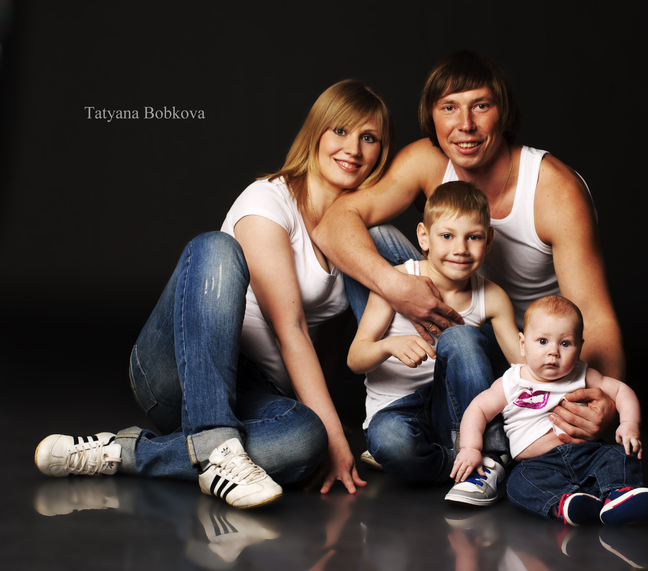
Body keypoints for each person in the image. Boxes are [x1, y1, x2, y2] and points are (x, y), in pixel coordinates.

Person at [33, 79, 395, 508]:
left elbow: (329, 335)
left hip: (256, 393)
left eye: (368, 137)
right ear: (316, 133)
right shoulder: (268, 201)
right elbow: (292, 329)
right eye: (340, 130)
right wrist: (336, 436)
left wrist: (322, 425)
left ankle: (123, 453)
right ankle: (215, 441)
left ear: (381, 151)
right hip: (178, 371)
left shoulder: (353, 231)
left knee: (303, 439)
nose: (353, 148)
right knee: (216, 247)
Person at [313, 51, 622, 445]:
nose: (465, 125)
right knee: (371, 238)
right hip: (443, 321)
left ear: (502, 112)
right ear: (432, 116)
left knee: (472, 344)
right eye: (449, 108)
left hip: (525, 354)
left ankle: (481, 438)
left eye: (480, 106)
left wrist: (602, 403)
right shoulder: (427, 160)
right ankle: (409, 399)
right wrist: (396, 287)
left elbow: (593, 316)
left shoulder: (555, 190)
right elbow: (334, 225)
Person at [347, 181, 521, 494]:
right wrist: (388, 345)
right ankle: (459, 465)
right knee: (390, 443)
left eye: (473, 237)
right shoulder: (397, 282)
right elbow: (355, 359)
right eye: (447, 236)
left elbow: (523, 367)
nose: (460, 249)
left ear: (489, 240)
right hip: (398, 411)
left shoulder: (492, 296)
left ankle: (486, 455)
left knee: (461, 337)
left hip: (457, 414)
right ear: (424, 237)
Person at [450, 295, 648, 526]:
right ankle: (566, 503)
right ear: (522, 344)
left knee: (617, 455)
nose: (553, 352)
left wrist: (629, 424)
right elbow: (477, 409)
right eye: (542, 341)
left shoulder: (582, 374)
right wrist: (470, 448)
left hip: (587, 453)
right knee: (519, 482)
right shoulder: (511, 382)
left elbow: (620, 390)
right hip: (537, 464)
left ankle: (619, 495)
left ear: (579, 347)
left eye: (565, 344)